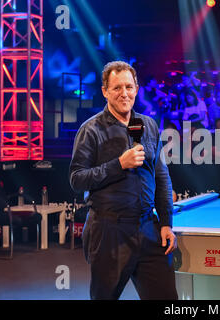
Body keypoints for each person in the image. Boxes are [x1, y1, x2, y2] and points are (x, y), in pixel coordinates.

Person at [69, 61, 178, 300]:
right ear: (105, 91)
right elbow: (77, 179)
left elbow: (161, 175)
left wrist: (167, 222)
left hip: (149, 229)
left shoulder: (148, 125)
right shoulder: (91, 130)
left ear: (137, 88)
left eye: (129, 86)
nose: (124, 93)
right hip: (109, 232)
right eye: (117, 88)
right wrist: (119, 164)